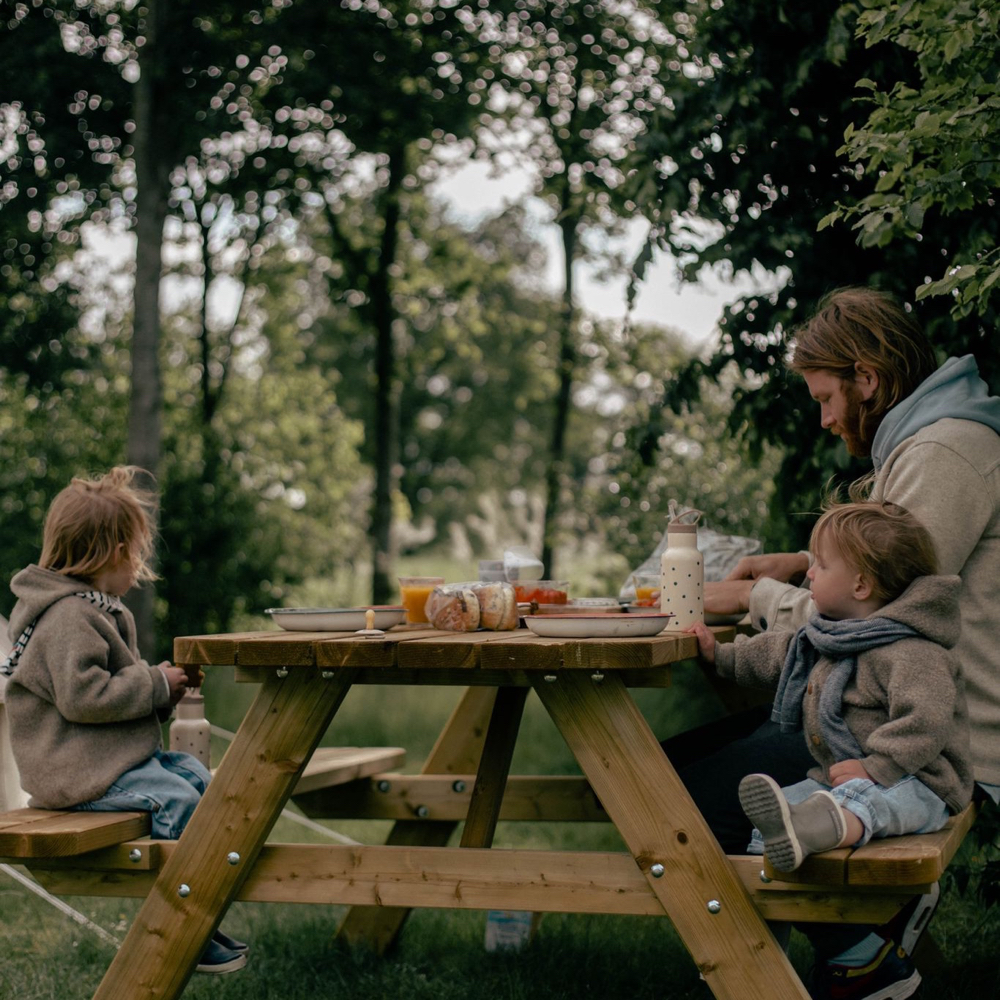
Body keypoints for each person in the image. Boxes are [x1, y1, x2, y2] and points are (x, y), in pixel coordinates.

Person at [684, 287, 1000, 1000]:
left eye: (828, 397)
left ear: (869, 377)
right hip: (883, 707)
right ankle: (851, 936)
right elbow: (877, 569)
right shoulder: (927, 441)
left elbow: (874, 611)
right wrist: (796, 566)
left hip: (934, 732)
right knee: (679, 768)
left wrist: (753, 597)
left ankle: (859, 955)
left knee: (694, 795)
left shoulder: (945, 451)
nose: (826, 420)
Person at [1, 467, 248, 974]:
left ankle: (201, 907)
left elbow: (113, 695)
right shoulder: (69, 616)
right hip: (75, 775)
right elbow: (85, 698)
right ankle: (186, 926)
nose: (138, 565)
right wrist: (155, 683)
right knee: (177, 799)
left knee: (198, 777)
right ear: (108, 553)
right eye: (134, 553)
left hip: (109, 762)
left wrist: (163, 692)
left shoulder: (96, 609)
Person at [688, 501, 972, 889]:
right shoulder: (833, 634)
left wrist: (877, 768)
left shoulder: (913, 653)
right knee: (778, 815)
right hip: (840, 776)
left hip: (916, 781)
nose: (809, 572)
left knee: (869, 802)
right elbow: (781, 654)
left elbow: (927, 721)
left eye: (821, 564)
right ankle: (780, 885)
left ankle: (820, 827)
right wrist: (720, 655)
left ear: (860, 585)